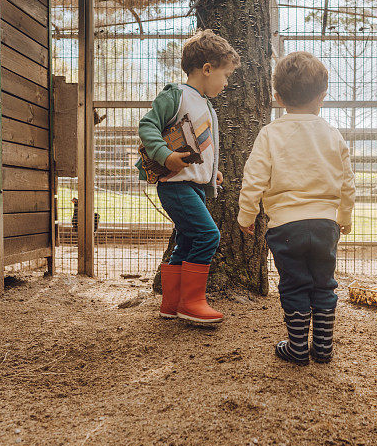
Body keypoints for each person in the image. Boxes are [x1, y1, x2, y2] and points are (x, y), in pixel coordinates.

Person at [237, 51, 356, 364]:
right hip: (325, 225)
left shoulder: (270, 133)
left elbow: (253, 179)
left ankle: (297, 347)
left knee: (294, 284)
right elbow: (347, 183)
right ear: (322, 97)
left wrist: (246, 215)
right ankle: (324, 347)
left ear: (277, 97)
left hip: (285, 226)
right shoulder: (333, 135)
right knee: (324, 282)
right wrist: (344, 217)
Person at [136, 29, 239, 323]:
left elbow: (200, 146)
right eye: (225, 74)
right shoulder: (177, 95)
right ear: (207, 69)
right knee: (208, 235)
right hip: (175, 186)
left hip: (193, 186)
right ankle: (192, 302)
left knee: (185, 241)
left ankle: (171, 303)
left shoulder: (204, 103)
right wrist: (165, 156)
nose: (226, 82)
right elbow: (147, 127)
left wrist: (210, 173)